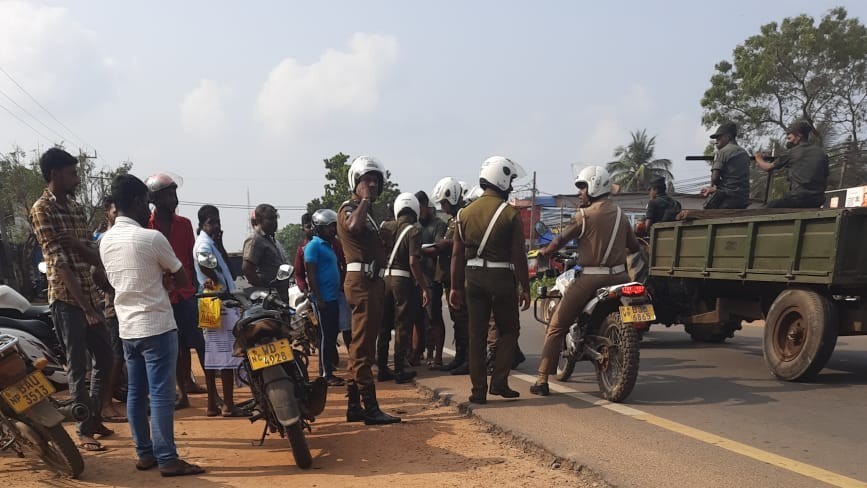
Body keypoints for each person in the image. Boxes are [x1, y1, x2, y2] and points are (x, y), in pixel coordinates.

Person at [100, 174, 204, 476]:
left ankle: (145, 453)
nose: (149, 209)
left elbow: (112, 280)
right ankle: (168, 459)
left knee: (136, 392)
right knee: (160, 393)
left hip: (127, 326)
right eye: (146, 202)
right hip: (157, 323)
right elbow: (183, 277)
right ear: (135, 202)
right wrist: (164, 277)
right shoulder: (151, 237)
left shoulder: (106, 240)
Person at [29, 147, 115, 452]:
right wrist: (87, 308)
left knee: (106, 359)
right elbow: (58, 263)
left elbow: (94, 256)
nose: (76, 178)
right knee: (77, 367)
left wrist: (77, 245)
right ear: (55, 175)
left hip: (89, 296)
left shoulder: (76, 210)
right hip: (67, 300)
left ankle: (91, 418)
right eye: (72, 173)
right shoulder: (42, 209)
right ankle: (83, 430)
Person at [531, 166, 640, 396]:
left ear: (594, 186)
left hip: (591, 277)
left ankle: (541, 379)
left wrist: (545, 251)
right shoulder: (621, 215)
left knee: (557, 325)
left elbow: (560, 239)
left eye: (582, 187)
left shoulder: (584, 215)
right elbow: (635, 246)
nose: (580, 192)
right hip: (621, 276)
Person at [450, 156, 530, 404]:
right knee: (509, 330)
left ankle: (478, 391)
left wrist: (454, 287)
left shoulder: (464, 213)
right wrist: (525, 287)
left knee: (476, 334)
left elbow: (456, 254)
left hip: (472, 278)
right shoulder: (510, 214)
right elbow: (518, 254)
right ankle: (499, 381)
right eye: (511, 181)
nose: (512, 187)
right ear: (502, 179)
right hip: (501, 278)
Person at [337, 155, 401, 425]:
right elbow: (353, 226)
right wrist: (363, 199)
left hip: (371, 282)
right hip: (362, 284)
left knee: (360, 347)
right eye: (366, 180)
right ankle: (371, 408)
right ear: (356, 182)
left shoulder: (368, 214)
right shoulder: (350, 209)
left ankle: (354, 406)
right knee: (363, 349)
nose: (372, 185)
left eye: (375, 180)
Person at [145, 173, 207, 410]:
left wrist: (191, 287)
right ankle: (183, 394)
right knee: (176, 349)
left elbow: (189, 262)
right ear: (155, 199)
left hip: (185, 294)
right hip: (162, 297)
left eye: (174, 193)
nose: (174, 199)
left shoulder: (185, 225)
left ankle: (214, 395)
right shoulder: (146, 226)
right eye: (168, 194)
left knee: (199, 344)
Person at [193, 205, 249, 417]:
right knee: (225, 356)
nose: (215, 226)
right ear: (201, 224)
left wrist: (221, 242)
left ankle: (212, 404)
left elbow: (231, 272)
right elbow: (209, 269)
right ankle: (227, 404)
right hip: (217, 302)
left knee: (214, 355)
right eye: (210, 222)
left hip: (216, 302)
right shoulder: (203, 245)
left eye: (217, 221)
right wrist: (215, 282)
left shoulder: (212, 243)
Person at [377, 192, 431, 383]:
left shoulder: (385, 226)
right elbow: (413, 262)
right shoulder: (413, 231)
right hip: (402, 281)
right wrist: (424, 287)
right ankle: (399, 369)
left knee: (383, 326)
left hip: (384, 279)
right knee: (402, 326)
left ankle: (382, 368)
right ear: (415, 210)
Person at [431, 177, 470, 375]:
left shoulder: (462, 217)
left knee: (463, 320)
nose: (442, 207)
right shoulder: (454, 219)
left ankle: (467, 359)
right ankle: (461, 356)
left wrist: (434, 246)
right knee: (458, 320)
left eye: (444, 203)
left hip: (460, 278)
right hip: (451, 277)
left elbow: (451, 245)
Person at [93, 195, 126, 422]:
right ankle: (105, 404)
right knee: (117, 355)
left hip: (128, 305)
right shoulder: (104, 240)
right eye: (115, 212)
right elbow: (97, 274)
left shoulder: (125, 237)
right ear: (108, 212)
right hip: (114, 306)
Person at [304, 209, 345, 386]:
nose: (333, 230)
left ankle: (329, 369)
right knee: (325, 336)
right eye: (330, 227)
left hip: (332, 297)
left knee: (331, 335)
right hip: (323, 299)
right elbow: (310, 274)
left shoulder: (328, 245)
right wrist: (318, 298)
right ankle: (325, 374)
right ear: (319, 228)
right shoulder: (313, 246)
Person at [755, 119, 830, 208]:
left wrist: (758, 158)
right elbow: (825, 179)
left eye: (789, 138)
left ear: (799, 136)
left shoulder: (792, 153)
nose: (788, 140)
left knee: (767, 208)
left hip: (798, 198)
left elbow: (767, 167)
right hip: (817, 200)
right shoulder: (821, 153)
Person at [242, 204, 289, 297]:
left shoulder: (270, 240)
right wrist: (263, 287)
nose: (275, 222)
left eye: (276, 218)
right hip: (268, 297)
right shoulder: (256, 240)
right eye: (271, 219)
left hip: (280, 294)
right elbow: (247, 269)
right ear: (259, 220)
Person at [701, 122, 750, 209]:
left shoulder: (723, 152)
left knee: (705, 210)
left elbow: (715, 178)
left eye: (718, 137)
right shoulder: (744, 153)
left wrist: (714, 188)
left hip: (728, 198)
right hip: (743, 199)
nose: (716, 141)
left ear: (728, 136)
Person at [294, 213, 314, 293]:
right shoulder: (301, 250)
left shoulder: (328, 243)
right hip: (312, 292)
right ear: (303, 229)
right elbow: (299, 274)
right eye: (308, 227)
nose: (312, 229)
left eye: (313, 226)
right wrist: (305, 290)